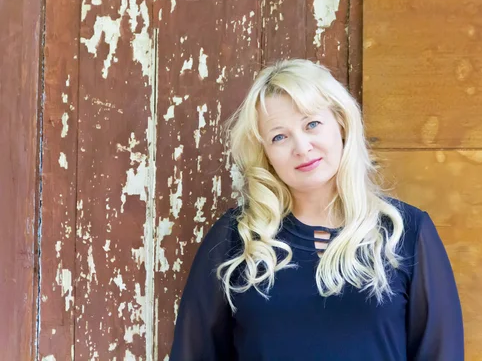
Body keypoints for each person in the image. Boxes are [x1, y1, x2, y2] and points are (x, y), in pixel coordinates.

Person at [169, 59, 464, 360]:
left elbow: (441, 353)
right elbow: (192, 353)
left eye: (312, 124)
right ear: (266, 154)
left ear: (341, 124)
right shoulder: (237, 238)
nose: (302, 147)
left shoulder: (406, 232)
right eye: (279, 136)